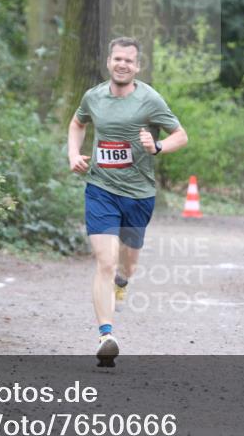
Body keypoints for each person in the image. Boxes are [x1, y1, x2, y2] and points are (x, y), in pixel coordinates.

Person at [68, 37, 188, 364]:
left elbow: (181, 135)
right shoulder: (93, 97)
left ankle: (123, 280)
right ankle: (106, 335)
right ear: (109, 62)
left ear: (137, 67)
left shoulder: (150, 100)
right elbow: (78, 123)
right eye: (117, 59)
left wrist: (158, 147)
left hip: (138, 194)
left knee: (127, 264)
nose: (123, 64)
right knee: (104, 261)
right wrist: (73, 153)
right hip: (100, 188)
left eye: (129, 61)